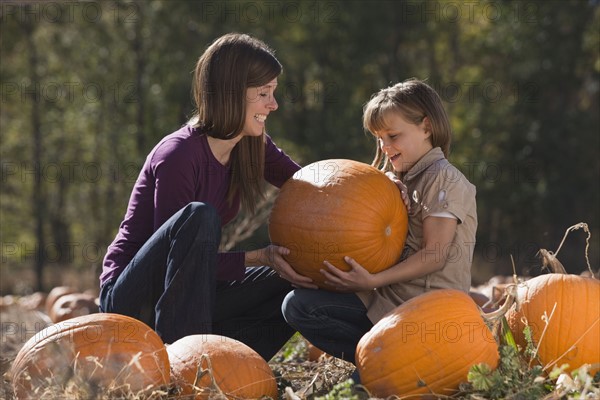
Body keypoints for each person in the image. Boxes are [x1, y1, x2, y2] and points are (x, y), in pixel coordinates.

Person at [99, 33, 315, 361]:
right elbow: (174, 267)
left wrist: (377, 186)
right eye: (263, 93)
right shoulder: (178, 155)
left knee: (292, 275)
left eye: (273, 92)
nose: (273, 104)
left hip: (190, 295)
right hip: (133, 303)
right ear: (230, 93)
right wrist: (258, 256)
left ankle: (232, 364)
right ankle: (184, 365)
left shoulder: (253, 143)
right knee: (199, 215)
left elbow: (309, 184)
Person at [282, 78, 477, 366]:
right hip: (387, 303)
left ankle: (391, 362)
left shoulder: (444, 179)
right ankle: (379, 358)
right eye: (378, 138)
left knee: (373, 384)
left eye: (393, 136)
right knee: (298, 305)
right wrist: (383, 186)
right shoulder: (402, 179)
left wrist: (372, 281)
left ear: (426, 127)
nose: (385, 146)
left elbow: (434, 256)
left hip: (426, 312)